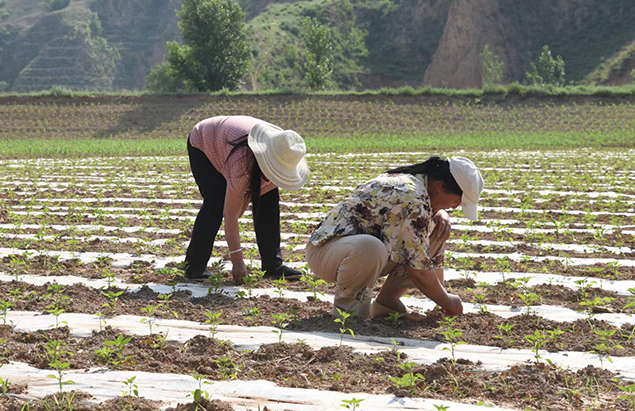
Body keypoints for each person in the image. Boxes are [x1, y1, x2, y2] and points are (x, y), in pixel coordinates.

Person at [306, 156, 483, 321]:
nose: (454, 207)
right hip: (328, 251)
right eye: (456, 201)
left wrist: (440, 213)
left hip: (357, 253)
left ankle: (387, 303)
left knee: (435, 228)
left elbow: (417, 251)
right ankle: (350, 315)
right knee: (370, 247)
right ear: (441, 187)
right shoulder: (413, 198)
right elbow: (419, 271)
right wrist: (447, 302)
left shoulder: (418, 184)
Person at [185, 115, 310, 283]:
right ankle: (194, 267)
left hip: (230, 139)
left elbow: (255, 194)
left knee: (269, 202)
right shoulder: (241, 163)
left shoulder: (285, 153)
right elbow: (230, 215)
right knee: (215, 202)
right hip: (204, 142)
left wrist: (246, 197)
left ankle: (273, 265)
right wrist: (237, 261)